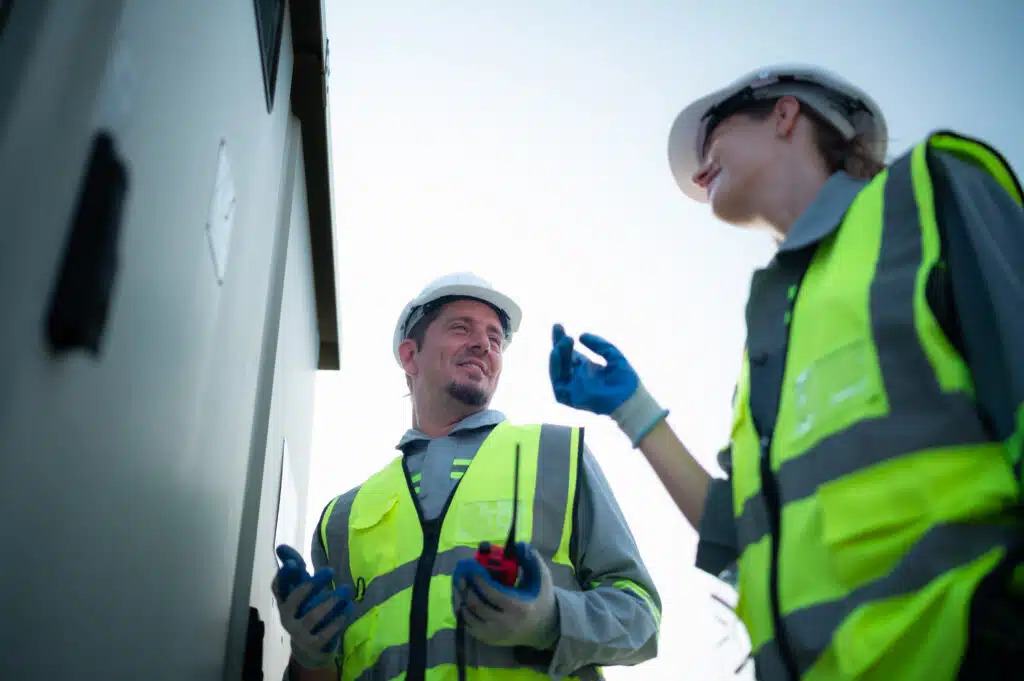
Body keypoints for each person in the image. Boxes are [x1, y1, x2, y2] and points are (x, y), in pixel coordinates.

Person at [548, 64, 1024, 681]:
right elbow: (742, 533)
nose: (698, 171)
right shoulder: (771, 335)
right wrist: (632, 407)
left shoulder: (929, 192)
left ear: (784, 113)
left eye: (712, 136)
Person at [271, 272, 662, 681]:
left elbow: (642, 618)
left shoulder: (558, 457)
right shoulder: (342, 518)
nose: (484, 345)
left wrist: (549, 620)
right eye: (461, 328)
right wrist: (310, 653)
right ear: (410, 356)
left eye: (495, 339)